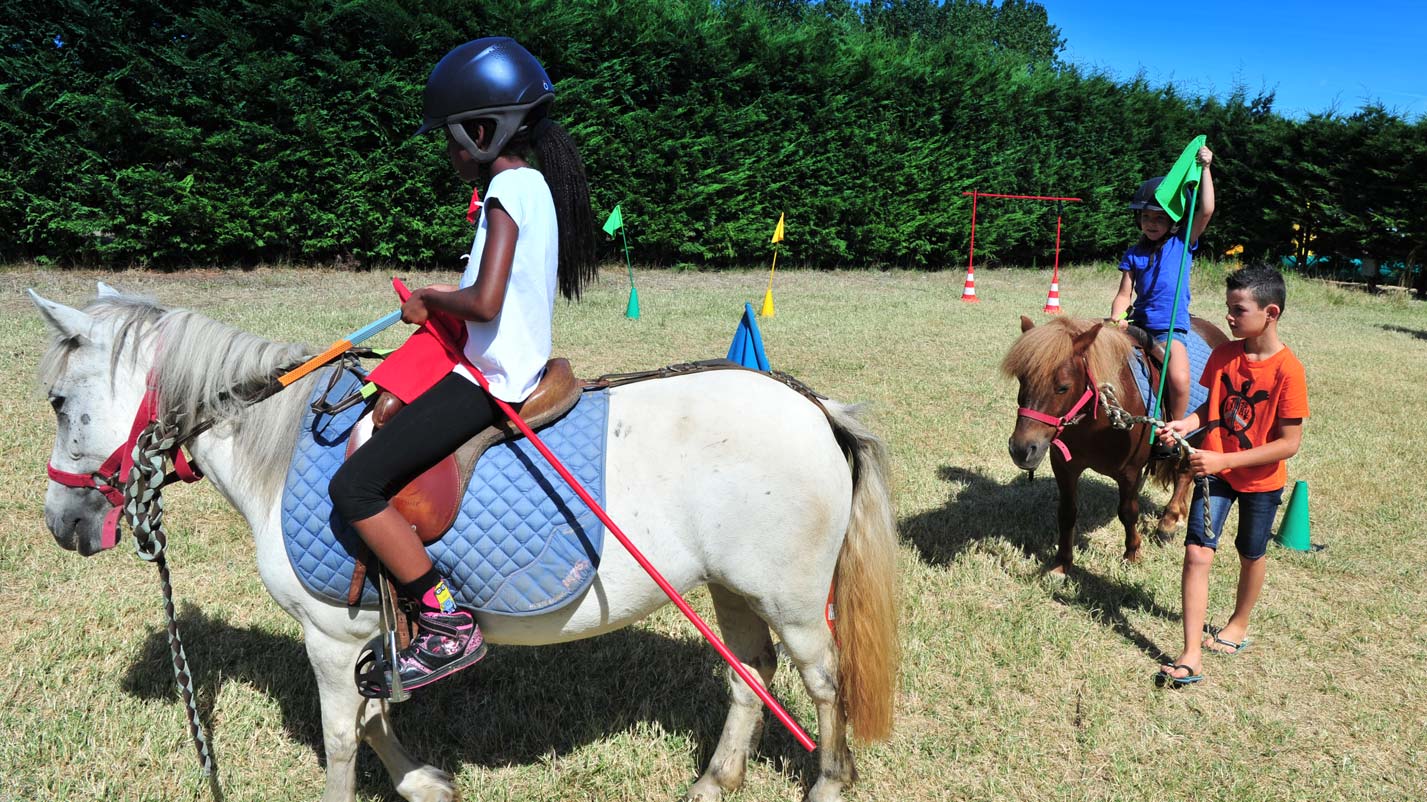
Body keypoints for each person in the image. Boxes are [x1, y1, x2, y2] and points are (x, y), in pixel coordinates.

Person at [329, 36, 597, 694]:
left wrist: (428, 299)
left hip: (490, 382)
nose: (447, 153)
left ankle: (447, 625)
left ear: (482, 132)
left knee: (354, 489)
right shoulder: (527, 186)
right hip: (492, 366)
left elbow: (483, 301)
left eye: (450, 139)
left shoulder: (508, 190)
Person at [1153, 265, 1308, 687]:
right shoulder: (1224, 355)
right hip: (1214, 471)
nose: (1229, 317)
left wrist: (1226, 462)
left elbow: (1288, 444)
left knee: (1250, 552)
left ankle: (1238, 623)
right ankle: (1190, 653)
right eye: (1228, 308)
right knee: (1197, 552)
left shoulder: (1287, 371)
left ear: (1270, 312)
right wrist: (1186, 424)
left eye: (1238, 310)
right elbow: (1213, 409)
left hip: (1260, 480)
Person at [1109, 146, 1216, 455]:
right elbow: (1123, 293)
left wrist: (1206, 169)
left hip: (1169, 330)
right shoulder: (1134, 253)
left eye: (1159, 218)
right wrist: (1117, 318)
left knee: (1180, 377)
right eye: (1145, 217)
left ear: (1173, 221)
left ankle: (1172, 432)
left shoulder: (1183, 243)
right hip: (1137, 324)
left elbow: (1206, 210)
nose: (1151, 223)